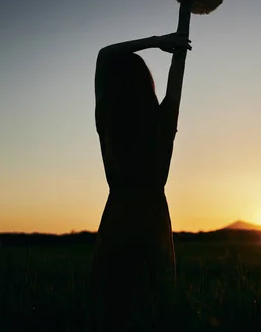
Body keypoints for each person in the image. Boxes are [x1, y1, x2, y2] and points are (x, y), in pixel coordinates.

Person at [89, 32, 192, 329]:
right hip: (154, 217)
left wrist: (156, 40)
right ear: (147, 84)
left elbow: (104, 54)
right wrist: (175, 47)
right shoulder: (163, 118)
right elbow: (178, 70)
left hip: (118, 216)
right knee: (157, 308)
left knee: (111, 308)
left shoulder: (107, 116)